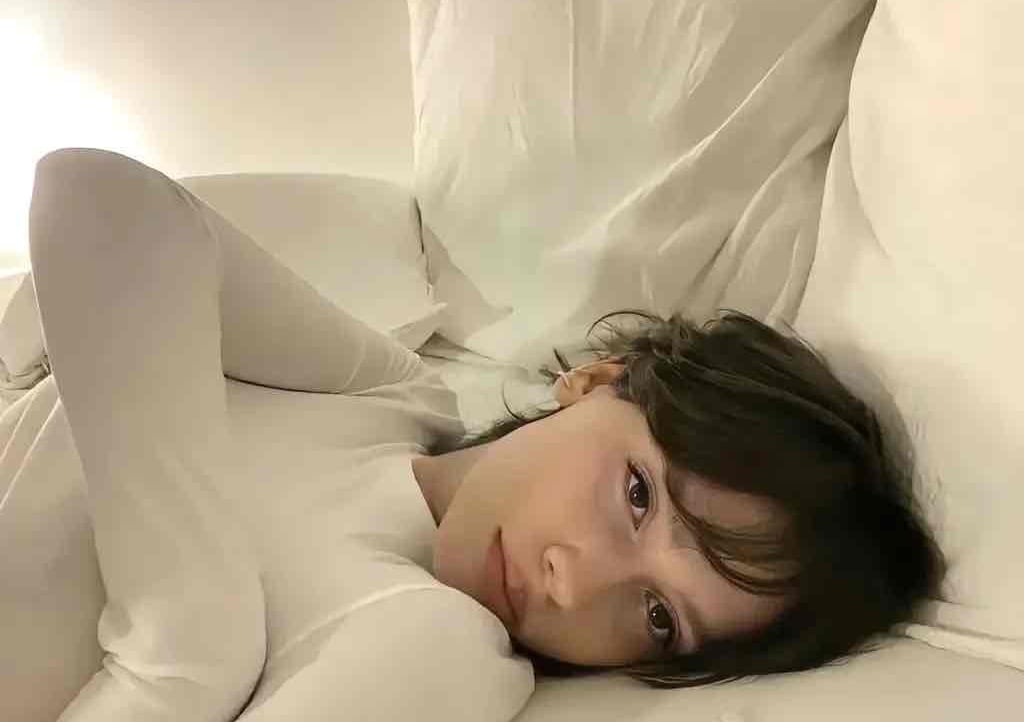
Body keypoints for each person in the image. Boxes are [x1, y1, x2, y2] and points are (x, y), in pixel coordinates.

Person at [23, 148, 943, 721]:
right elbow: (103, 203)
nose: (573, 585)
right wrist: (192, 639)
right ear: (594, 381)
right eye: (636, 495)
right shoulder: (384, 391)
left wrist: (167, 679)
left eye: (660, 619)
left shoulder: (440, 651)